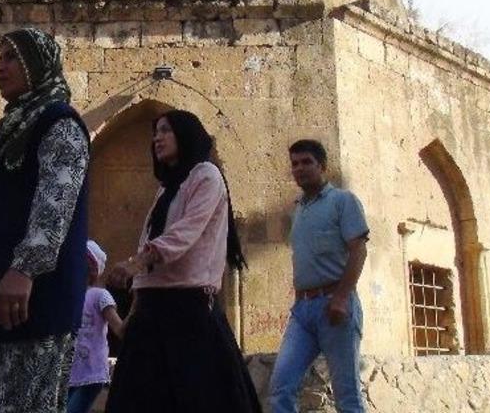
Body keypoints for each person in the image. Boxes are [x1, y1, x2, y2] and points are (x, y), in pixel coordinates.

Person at [0, 28, 90, 413]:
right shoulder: (11, 129)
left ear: (35, 65)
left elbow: (56, 202)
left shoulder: (59, 124)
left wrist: (24, 270)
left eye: (10, 57)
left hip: (30, 300)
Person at [105, 110, 261, 413]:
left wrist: (137, 262)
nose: (157, 138)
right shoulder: (166, 189)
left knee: (199, 398)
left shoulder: (206, 175)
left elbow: (185, 233)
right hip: (151, 313)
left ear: (185, 134)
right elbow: (149, 238)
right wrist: (134, 307)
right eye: (155, 133)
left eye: (165, 131)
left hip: (188, 310)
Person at [268, 139, 369, 413]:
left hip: (335, 305)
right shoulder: (299, 209)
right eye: (294, 164)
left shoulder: (342, 201)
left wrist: (341, 297)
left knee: (347, 396)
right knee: (280, 387)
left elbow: (358, 251)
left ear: (322, 166)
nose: (299, 169)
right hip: (302, 311)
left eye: (306, 162)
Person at [66, 240, 125, 413]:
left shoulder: (99, 295)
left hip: (91, 374)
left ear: (92, 269)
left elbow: (119, 328)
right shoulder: (67, 296)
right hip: (67, 372)